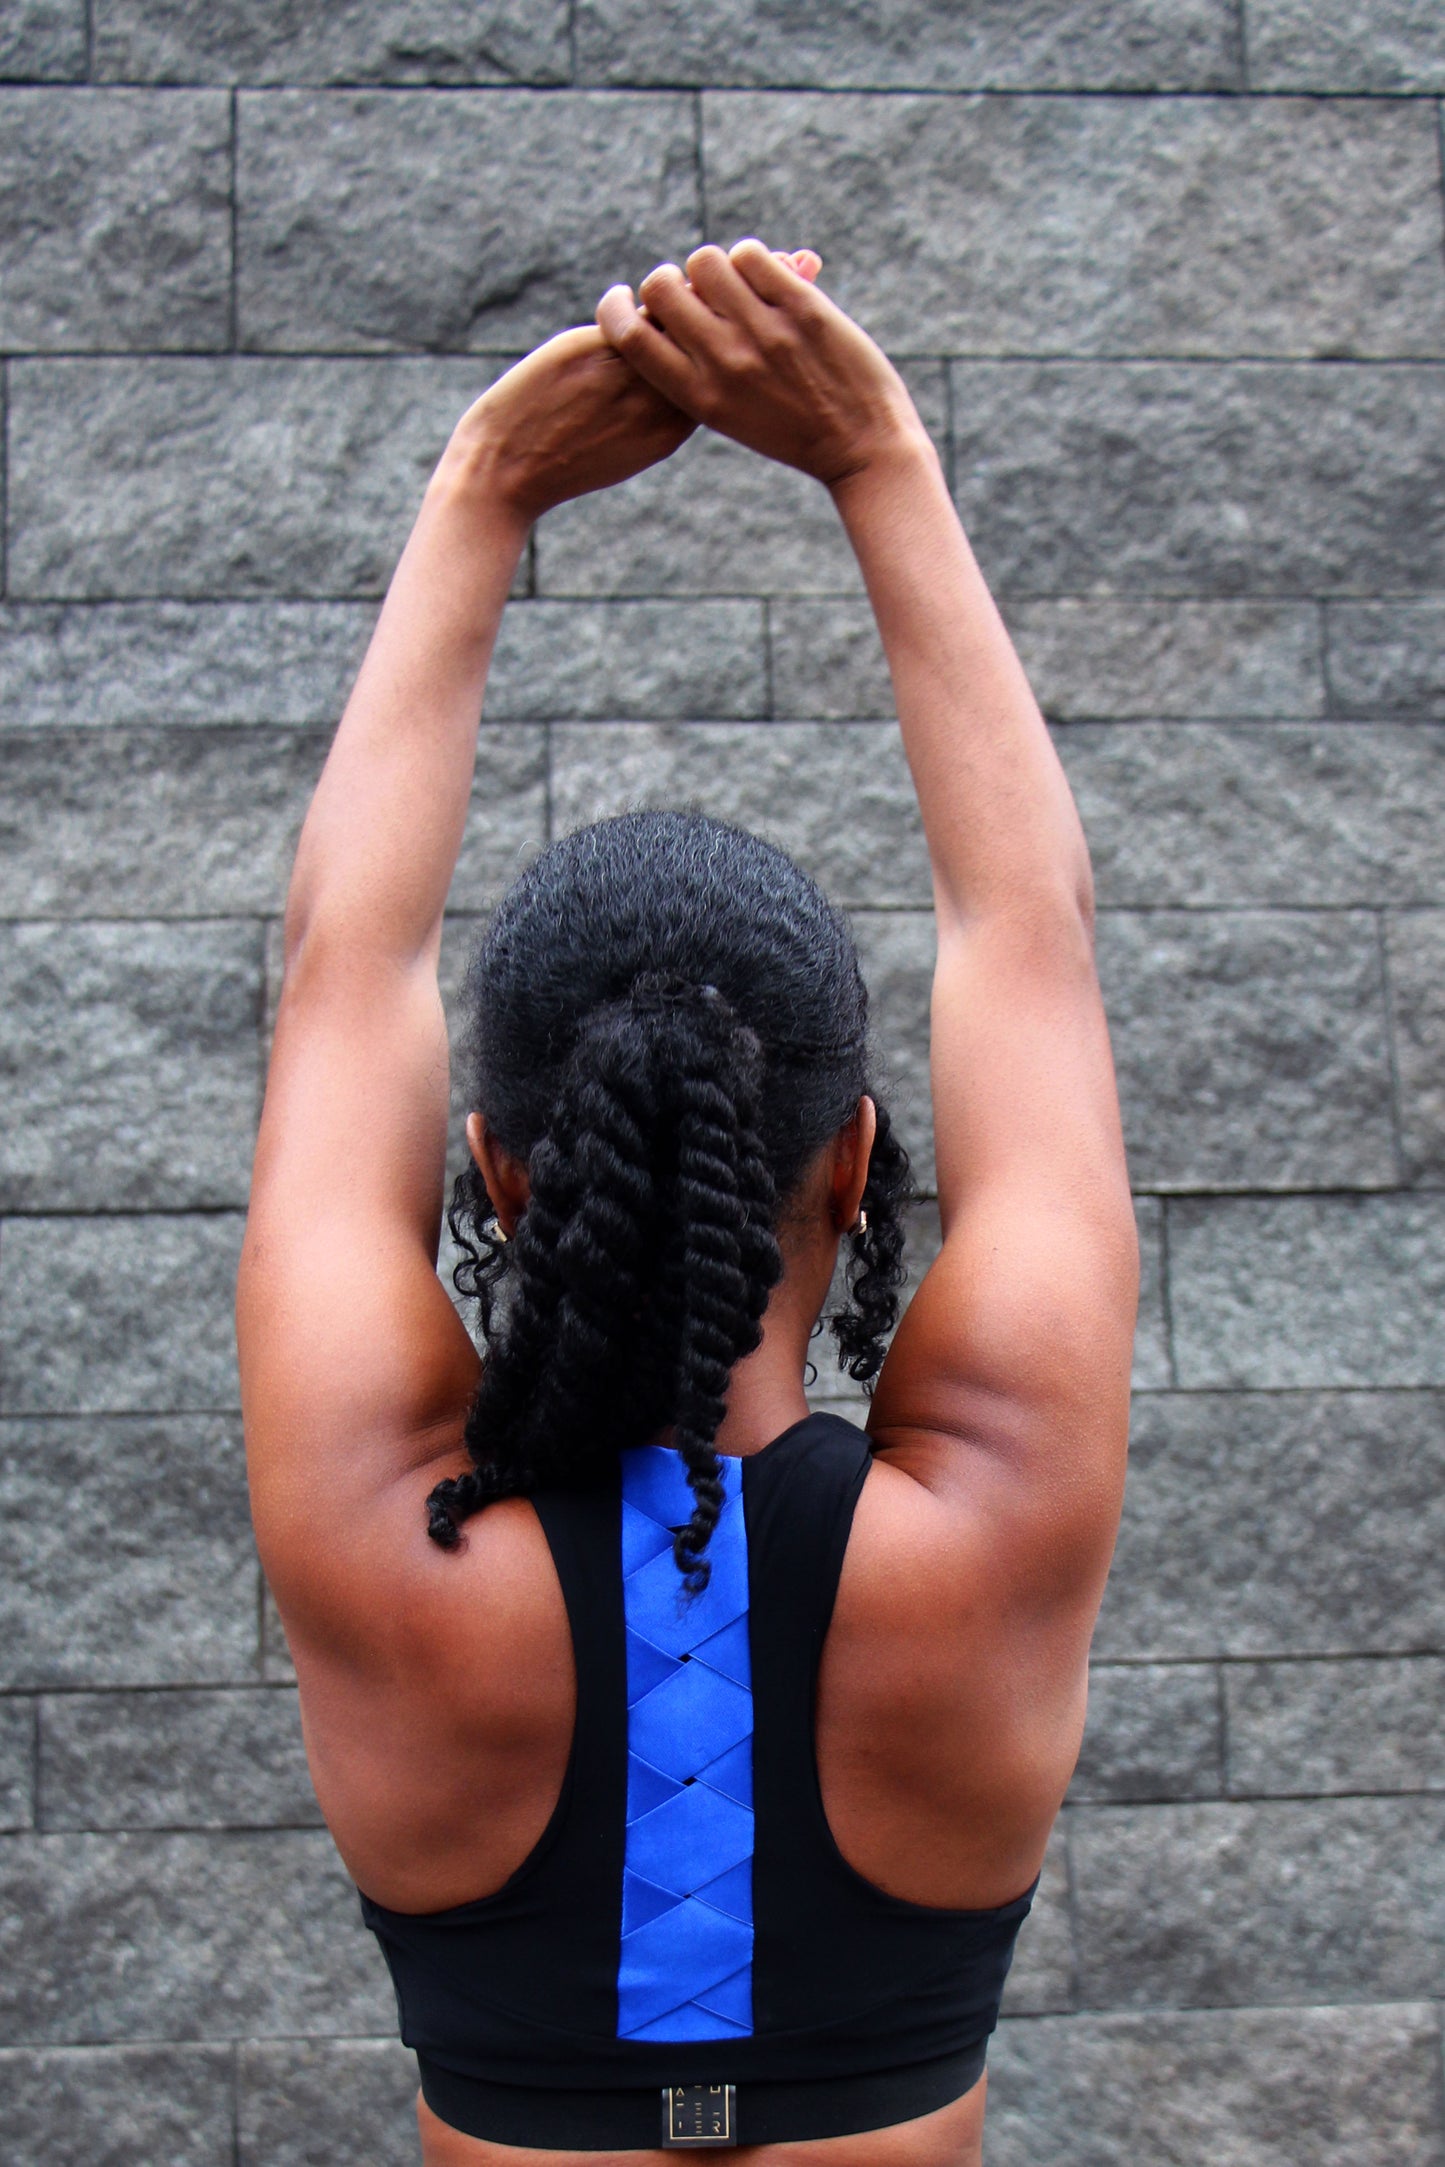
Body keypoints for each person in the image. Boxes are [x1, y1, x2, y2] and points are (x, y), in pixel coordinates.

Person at [237, 238, 1138, 2166]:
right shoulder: (987, 1532)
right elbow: (1027, 940)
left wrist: (484, 488)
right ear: (859, 1154)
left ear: (490, 1164)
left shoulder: (385, 1553)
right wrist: (874, 457)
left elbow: (344, 969)